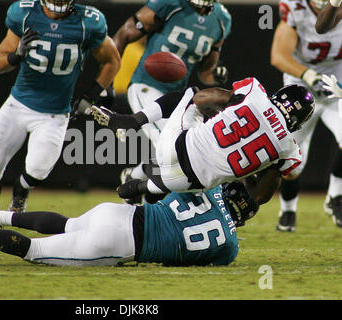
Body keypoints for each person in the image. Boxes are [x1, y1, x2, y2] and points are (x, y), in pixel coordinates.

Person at [0, 173, 276, 267]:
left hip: (119, 214)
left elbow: (165, 193)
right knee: (34, 252)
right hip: (124, 245)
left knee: (68, 224)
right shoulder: (229, 248)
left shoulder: (205, 192)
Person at [0, 0, 120, 220]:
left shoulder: (88, 22)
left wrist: (91, 96)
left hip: (54, 114)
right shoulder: (24, 14)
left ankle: (21, 188)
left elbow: (113, 61)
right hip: (17, 106)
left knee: (37, 171)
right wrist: (17, 55)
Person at [92, 77, 315, 203]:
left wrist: (219, 115)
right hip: (186, 183)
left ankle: (132, 121)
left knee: (190, 93)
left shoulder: (255, 92)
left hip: (173, 148)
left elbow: (201, 99)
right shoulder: (289, 151)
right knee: (215, 180)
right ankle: (146, 186)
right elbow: (259, 197)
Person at [111, 0, 231, 204]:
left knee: (183, 147)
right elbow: (123, 35)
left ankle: (135, 177)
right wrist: (108, 84)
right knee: (173, 149)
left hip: (177, 96)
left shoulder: (222, 19)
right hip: (146, 85)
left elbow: (205, 72)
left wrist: (217, 75)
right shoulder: (168, 3)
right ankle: (153, 198)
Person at [270, 0, 342, 230]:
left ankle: (335, 196)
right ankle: (288, 211)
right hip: (302, 88)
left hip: (335, 85)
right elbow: (278, 56)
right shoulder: (296, 8)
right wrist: (308, 74)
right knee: (293, 162)